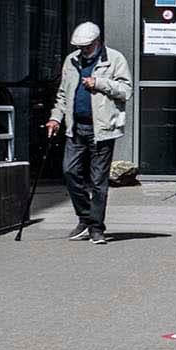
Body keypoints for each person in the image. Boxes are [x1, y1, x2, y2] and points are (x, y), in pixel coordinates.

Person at [45, 22, 131, 244]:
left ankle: (95, 228)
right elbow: (63, 94)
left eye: (87, 46)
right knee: (69, 171)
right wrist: (55, 118)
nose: (83, 50)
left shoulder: (115, 59)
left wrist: (99, 83)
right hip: (76, 126)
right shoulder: (71, 61)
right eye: (80, 47)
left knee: (98, 180)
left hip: (102, 129)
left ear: (97, 42)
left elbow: (125, 90)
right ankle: (85, 217)